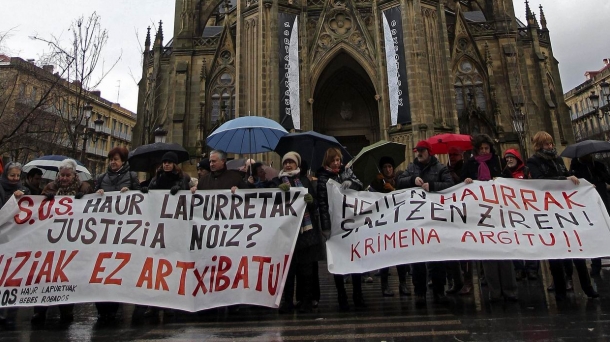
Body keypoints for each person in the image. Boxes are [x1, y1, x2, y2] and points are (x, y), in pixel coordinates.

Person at [32, 159, 93, 325]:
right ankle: (40, 310)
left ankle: (66, 310)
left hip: (71, 240)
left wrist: (84, 199)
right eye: (62, 175)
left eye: (68, 175)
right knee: (45, 276)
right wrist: (45, 198)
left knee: (66, 276)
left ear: (74, 175)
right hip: (50, 240)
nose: (65, 178)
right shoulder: (51, 187)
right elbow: (38, 209)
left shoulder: (84, 188)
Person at [396, 141, 454, 305]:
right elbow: (399, 182)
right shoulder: (411, 168)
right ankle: (420, 292)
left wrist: (434, 185)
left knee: (437, 259)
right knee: (418, 259)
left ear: (429, 152)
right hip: (417, 220)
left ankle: (439, 291)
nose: (418, 153)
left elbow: (450, 185)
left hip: (435, 219)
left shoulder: (440, 168)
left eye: (421, 151)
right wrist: (412, 180)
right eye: (417, 151)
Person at [462, 134, 518, 302]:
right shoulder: (470, 164)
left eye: (486, 148)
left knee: (505, 253)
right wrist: (467, 182)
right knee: (488, 255)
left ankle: (509, 290)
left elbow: (510, 182)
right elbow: (460, 183)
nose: (484, 151)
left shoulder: (498, 162)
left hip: (499, 212)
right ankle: (494, 292)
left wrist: (500, 180)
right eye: (481, 149)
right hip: (480, 214)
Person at [270, 152, 321, 313]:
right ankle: (287, 301)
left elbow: (315, 204)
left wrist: (311, 201)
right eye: (285, 162)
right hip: (285, 232)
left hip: (305, 233)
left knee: (305, 270)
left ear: (297, 164)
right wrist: (278, 191)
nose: (288, 165)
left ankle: (305, 300)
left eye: (291, 162)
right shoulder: (277, 181)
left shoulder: (304, 181)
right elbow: (266, 197)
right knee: (287, 270)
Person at [93, 146, 140, 322]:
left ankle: (115, 304)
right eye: (111, 159)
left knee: (118, 267)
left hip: (124, 231)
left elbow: (142, 198)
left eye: (117, 159)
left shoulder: (132, 177)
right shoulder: (101, 178)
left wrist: (132, 193)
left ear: (123, 161)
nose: (113, 162)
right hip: (104, 230)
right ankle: (102, 306)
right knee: (102, 267)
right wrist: (96, 194)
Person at [316, 147, 365, 311]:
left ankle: (358, 295)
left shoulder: (346, 173)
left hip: (351, 224)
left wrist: (352, 182)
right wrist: (325, 226)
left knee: (355, 258)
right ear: (328, 162)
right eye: (334, 160)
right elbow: (322, 204)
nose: (337, 163)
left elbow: (360, 187)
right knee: (338, 260)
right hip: (334, 224)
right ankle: (341, 295)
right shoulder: (322, 178)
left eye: (338, 160)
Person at [369, 156, 410, 297]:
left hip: (399, 222)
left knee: (401, 255)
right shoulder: (376, 183)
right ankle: (385, 285)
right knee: (385, 255)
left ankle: (403, 283)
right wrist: (379, 186)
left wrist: (392, 189)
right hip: (383, 224)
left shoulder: (399, 181)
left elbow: (406, 197)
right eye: (385, 167)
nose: (388, 169)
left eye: (390, 167)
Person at [501, 149, 539, 281]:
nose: (509, 160)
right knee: (514, 240)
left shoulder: (526, 171)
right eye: (507, 159)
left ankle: (532, 268)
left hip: (527, 210)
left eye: (511, 158)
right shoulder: (504, 174)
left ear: (517, 158)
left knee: (530, 239)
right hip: (511, 211)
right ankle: (519, 268)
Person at [570, 153, 610, 277]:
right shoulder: (575, 166)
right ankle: (595, 264)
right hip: (585, 203)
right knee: (592, 233)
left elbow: (607, 178)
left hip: (601, 199)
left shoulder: (598, 165)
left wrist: (599, 174)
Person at [0, 162, 28, 328]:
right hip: (3, 237)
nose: (15, 179)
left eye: (17, 176)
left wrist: (23, 193)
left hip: (16, 239)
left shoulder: (23, 190)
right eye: (12, 176)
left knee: (12, 273)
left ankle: (10, 310)